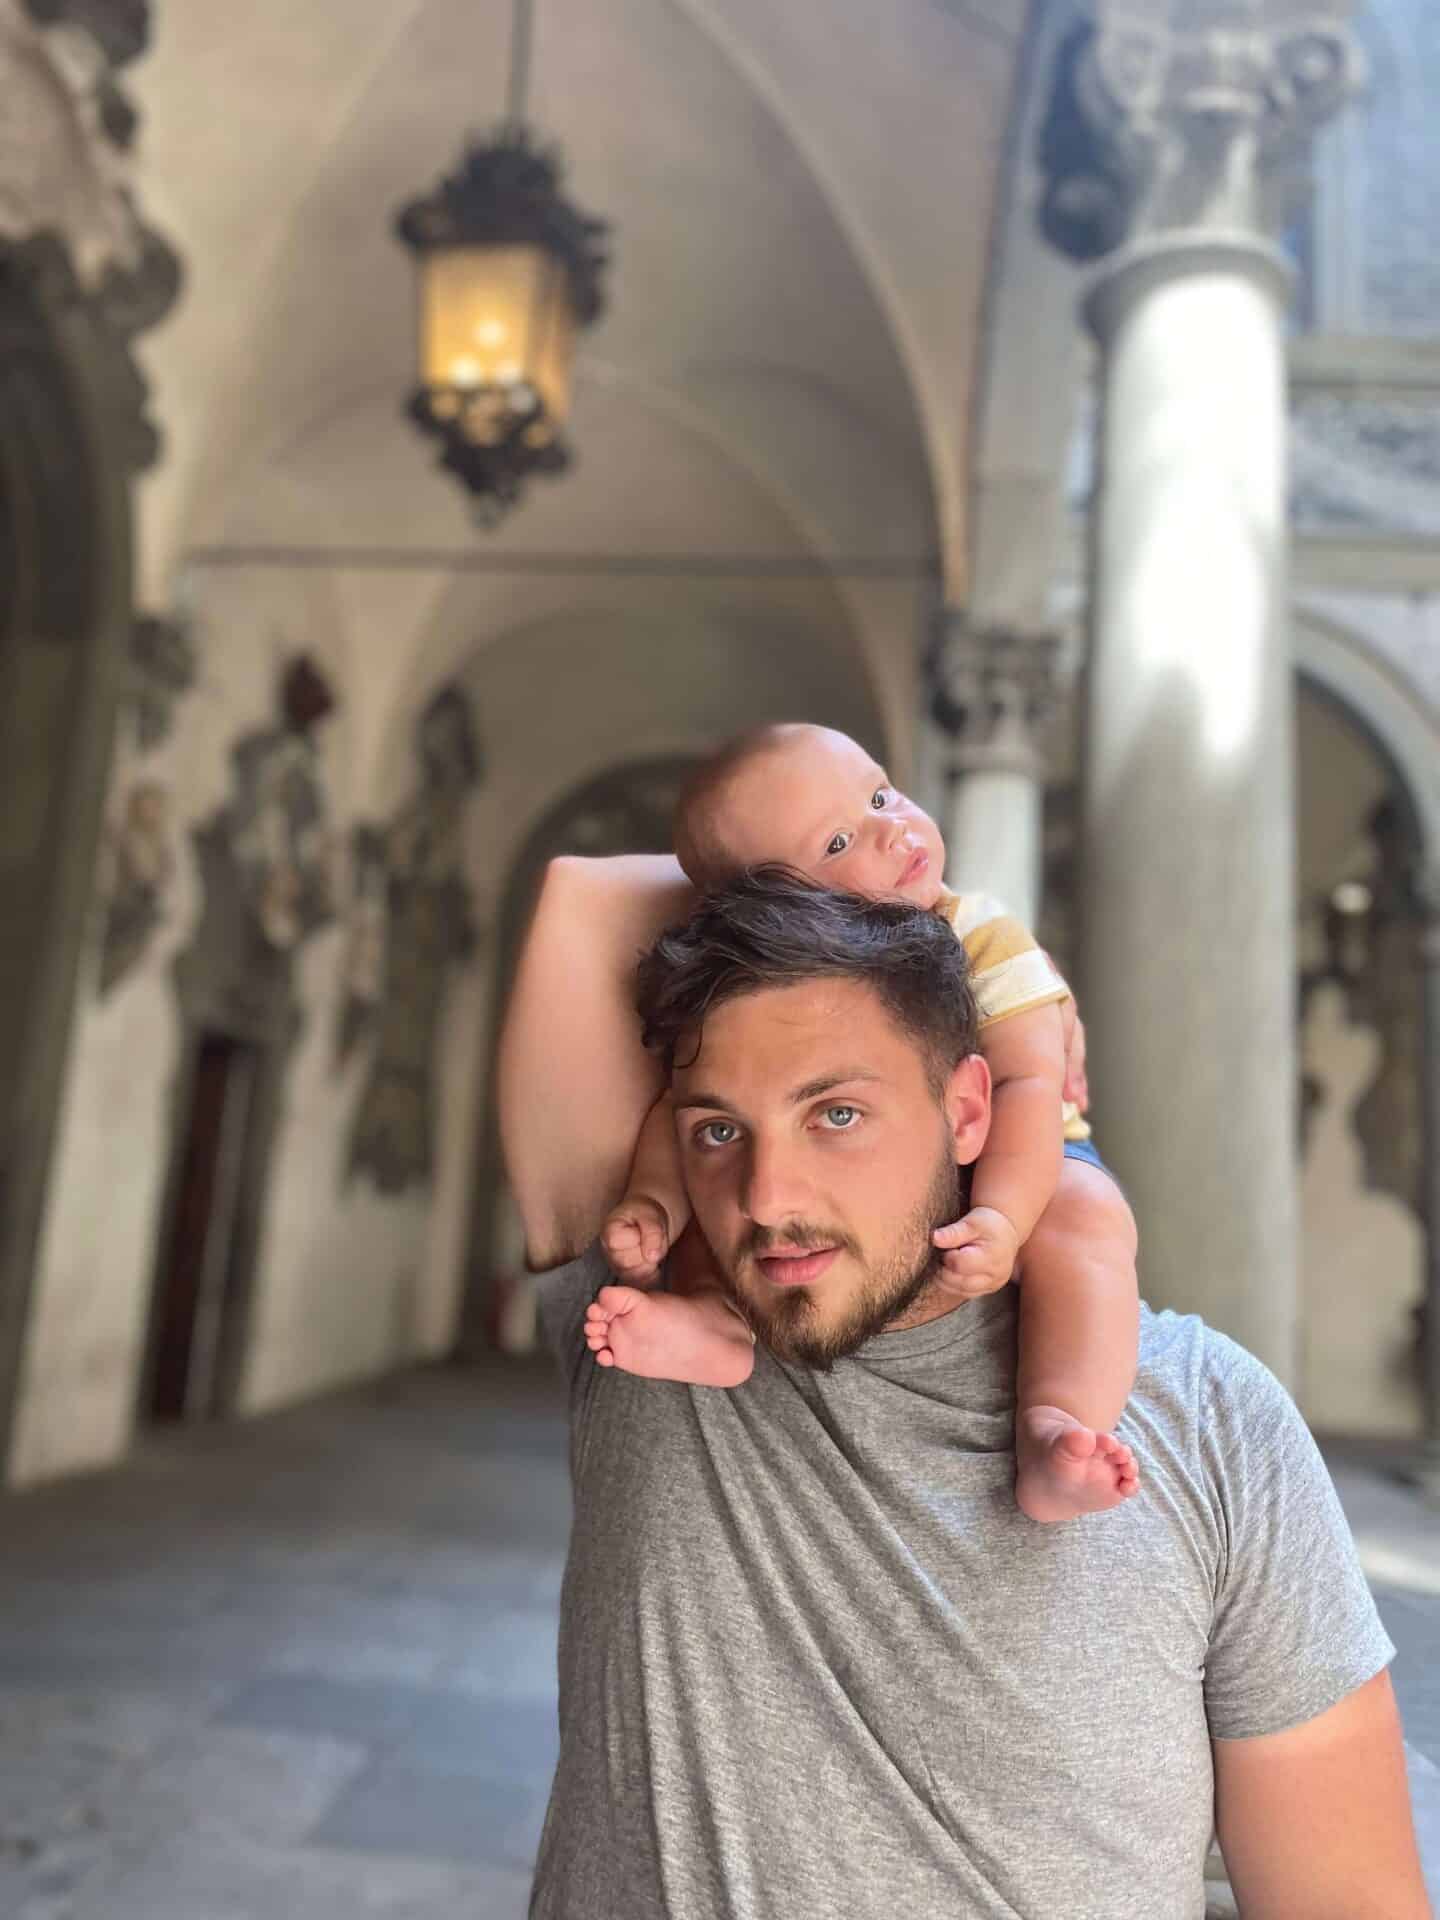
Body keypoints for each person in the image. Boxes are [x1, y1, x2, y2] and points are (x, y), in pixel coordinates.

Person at [501, 865, 1429, 1920]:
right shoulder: (639, 1328)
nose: (768, 1198)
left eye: (836, 1113)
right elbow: (579, 898)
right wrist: (866, 860)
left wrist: (952, 935)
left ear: (971, 1108)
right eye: (718, 1131)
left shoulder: (1210, 1421)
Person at [596, 723, 1140, 1521]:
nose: (897, 829)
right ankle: (717, 1322)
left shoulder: (983, 936)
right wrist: (651, 1202)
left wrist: (1003, 1215)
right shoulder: (757, 1000)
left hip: (1034, 1152)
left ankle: (1055, 1421)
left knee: (1087, 1221)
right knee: (731, 1156)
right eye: (842, 839)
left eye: (883, 794)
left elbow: (1028, 1080)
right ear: (784, 908)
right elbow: (679, 1112)